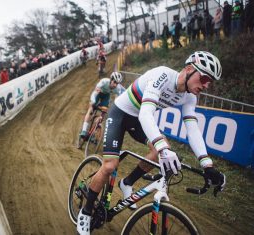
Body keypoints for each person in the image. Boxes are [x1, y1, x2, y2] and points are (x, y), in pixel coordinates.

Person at [76, 51, 226, 235]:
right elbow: (146, 113)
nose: (206, 85)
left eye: (210, 82)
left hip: (138, 120)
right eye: (204, 79)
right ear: (188, 69)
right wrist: (162, 146)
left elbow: (192, 128)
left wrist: (207, 164)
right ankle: (86, 211)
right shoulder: (162, 75)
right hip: (121, 114)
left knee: (161, 149)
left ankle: (127, 183)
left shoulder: (190, 97)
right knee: (109, 166)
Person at [79, 72, 124, 139]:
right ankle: (84, 130)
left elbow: (118, 101)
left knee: (104, 112)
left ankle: (94, 132)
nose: (115, 85)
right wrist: (92, 101)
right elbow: (95, 93)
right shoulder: (104, 81)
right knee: (90, 109)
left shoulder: (117, 89)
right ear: (111, 79)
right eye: (114, 82)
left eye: (117, 83)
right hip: (98, 93)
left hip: (106, 97)